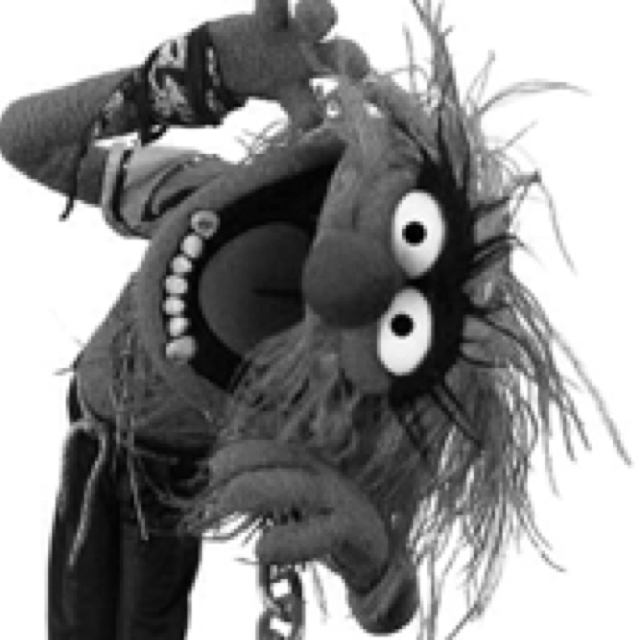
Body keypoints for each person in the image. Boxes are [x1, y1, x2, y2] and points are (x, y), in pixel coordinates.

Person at [0, 1, 371, 638]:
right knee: (76, 612)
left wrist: (369, 564)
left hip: (176, 471)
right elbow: (27, 139)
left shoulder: (341, 336)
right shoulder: (206, 196)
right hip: (94, 430)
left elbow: (339, 459)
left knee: (143, 619)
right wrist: (207, 70)